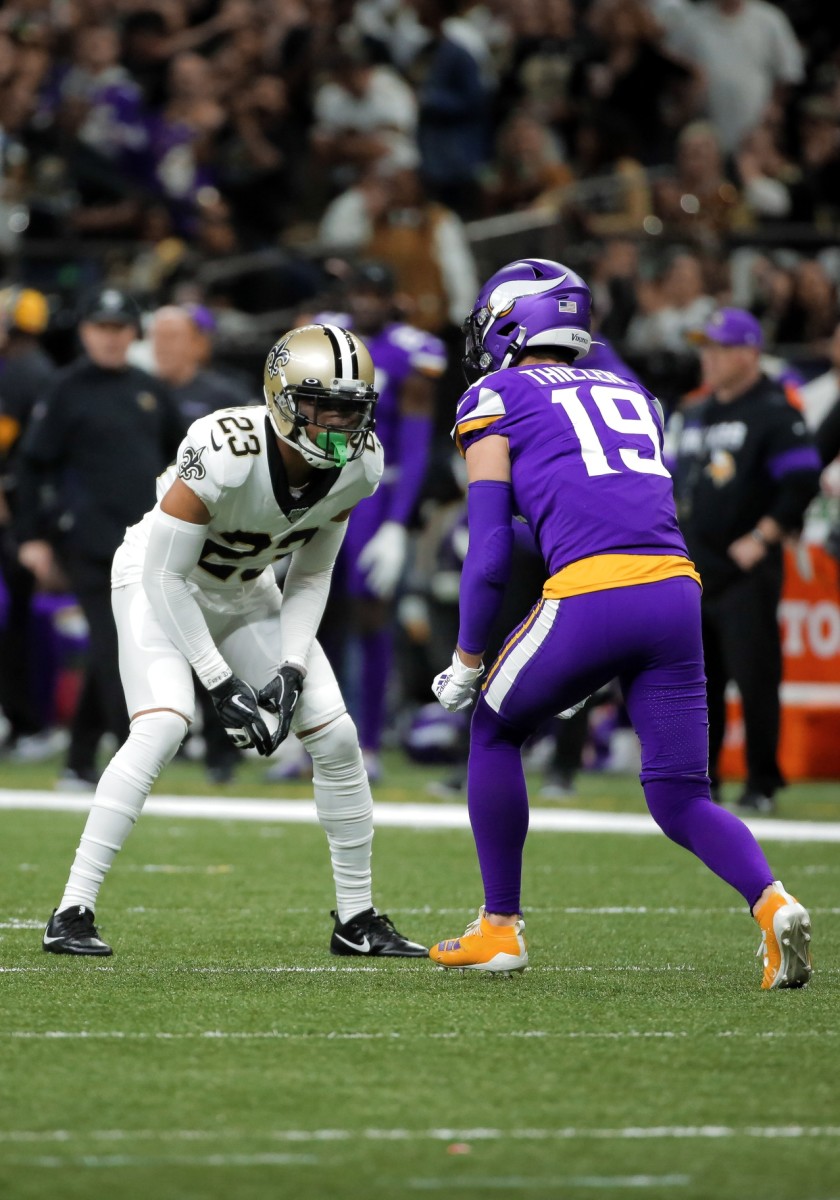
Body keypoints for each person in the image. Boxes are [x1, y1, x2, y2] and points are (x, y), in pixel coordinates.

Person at [427, 258, 812, 990]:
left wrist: (469, 656)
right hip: (674, 592)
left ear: (514, 320)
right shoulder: (634, 391)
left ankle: (500, 928)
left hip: (593, 594)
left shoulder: (494, 393)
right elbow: (595, 503)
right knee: (679, 794)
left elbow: (490, 550)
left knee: (494, 728)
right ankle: (772, 901)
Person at [41, 323, 427, 961]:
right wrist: (220, 683)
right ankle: (71, 910)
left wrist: (292, 668)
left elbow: (311, 575)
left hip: (247, 592)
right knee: (164, 724)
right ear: (279, 398)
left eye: (350, 408)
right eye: (320, 404)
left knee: (334, 735)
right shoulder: (226, 445)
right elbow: (166, 575)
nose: (336, 422)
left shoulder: (359, 465)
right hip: (157, 581)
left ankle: (356, 919)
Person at [16, 287, 185, 790]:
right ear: (85, 332)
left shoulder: (151, 390)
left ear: (133, 334)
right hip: (88, 542)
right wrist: (32, 537)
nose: (111, 338)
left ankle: (79, 760)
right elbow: (31, 466)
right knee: (118, 644)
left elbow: (184, 464)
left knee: (112, 647)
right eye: (101, 328)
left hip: (146, 542)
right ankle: (137, 757)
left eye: (120, 328)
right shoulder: (64, 389)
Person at [673, 308, 822, 814]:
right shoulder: (695, 411)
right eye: (704, 348)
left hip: (745, 572)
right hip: (694, 570)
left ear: (749, 353)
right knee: (699, 684)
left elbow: (802, 481)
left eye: (717, 348)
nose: (707, 358)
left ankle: (762, 781)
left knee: (755, 677)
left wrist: (763, 535)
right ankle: (702, 781)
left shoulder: (774, 410)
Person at [0, 286, 64, 760]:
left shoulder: (20, 374)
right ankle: (28, 720)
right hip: (30, 513)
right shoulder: (42, 370)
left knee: (16, 623)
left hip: (16, 517)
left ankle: (26, 720)